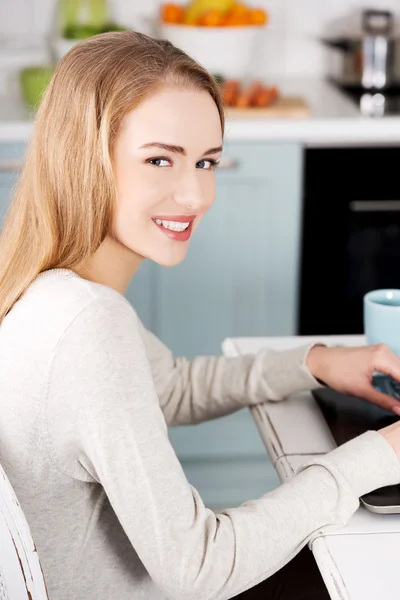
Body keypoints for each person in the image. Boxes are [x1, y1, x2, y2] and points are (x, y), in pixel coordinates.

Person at [0, 31, 400, 600]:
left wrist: (317, 362)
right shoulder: (87, 325)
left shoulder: (49, 292)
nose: (194, 195)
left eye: (206, 161)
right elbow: (200, 567)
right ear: (83, 158)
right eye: (160, 159)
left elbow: (168, 389)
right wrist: (378, 456)